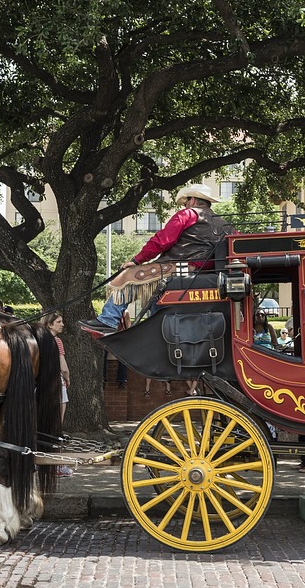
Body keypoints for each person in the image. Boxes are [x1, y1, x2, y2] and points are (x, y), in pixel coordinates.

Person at [80, 184, 233, 334]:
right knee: (155, 292)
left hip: (182, 267)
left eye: (186, 202)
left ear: (192, 200)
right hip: (205, 272)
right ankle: (156, 328)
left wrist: (136, 260)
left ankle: (108, 320)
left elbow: (162, 240)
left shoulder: (188, 214)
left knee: (129, 277)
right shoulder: (224, 224)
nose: (185, 205)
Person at [41, 311, 73, 477]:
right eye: (59, 322)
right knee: (56, 427)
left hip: (41, 387)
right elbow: (63, 367)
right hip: (57, 386)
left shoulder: (38, 340)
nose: (62, 324)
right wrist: (67, 379)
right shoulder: (57, 342)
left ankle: (40, 463)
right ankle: (56, 465)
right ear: (50, 324)